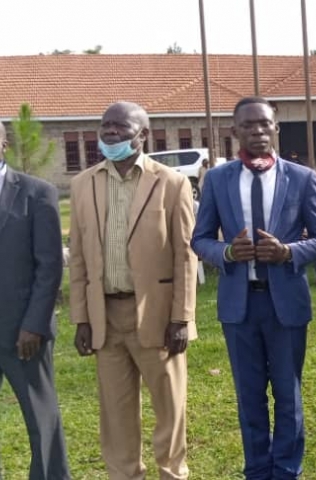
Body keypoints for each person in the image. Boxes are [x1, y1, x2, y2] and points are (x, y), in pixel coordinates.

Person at [191, 97, 316, 480]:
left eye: (264, 124)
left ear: (276, 128)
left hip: (285, 304)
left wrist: (288, 252)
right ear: (234, 131)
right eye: (248, 125)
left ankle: (287, 470)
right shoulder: (218, 180)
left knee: (288, 396)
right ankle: (256, 470)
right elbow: (200, 238)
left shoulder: (302, 178)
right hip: (240, 308)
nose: (257, 131)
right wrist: (227, 253)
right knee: (249, 397)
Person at [69, 101, 197, 479]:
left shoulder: (171, 183)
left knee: (169, 411)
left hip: (158, 318)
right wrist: (81, 318)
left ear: (142, 134)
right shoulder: (83, 184)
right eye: (105, 126)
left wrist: (181, 318)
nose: (109, 133)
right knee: (115, 415)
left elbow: (185, 256)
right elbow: (77, 258)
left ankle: (172, 473)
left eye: (120, 127)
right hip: (105, 318)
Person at [0, 122, 71, 479]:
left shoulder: (36, 193)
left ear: (3, 142)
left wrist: (35, 324)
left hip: (22, 332)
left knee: (41, 421)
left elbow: (49, 267)